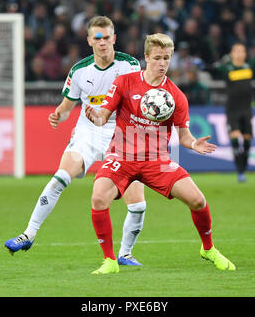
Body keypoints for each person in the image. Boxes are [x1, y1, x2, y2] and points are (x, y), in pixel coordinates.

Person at [85, 33, 236, 274]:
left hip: (157, 161)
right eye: (157, 58)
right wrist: (97, 115)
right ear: (146, 58)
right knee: (98, 198)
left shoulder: (176, 96)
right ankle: (110, 261)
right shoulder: (124, 82)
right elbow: (104, 114)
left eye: (167, 58)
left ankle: (208, 249)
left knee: (198, 200)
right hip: (122, 156)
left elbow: (184, 136)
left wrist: (193, 144)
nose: (162, 63)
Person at [5, 16, 147, 266]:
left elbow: (141, 98)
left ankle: (125, 254)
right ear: (90, 40)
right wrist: (58, 115)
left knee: (137, 204)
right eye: (98, 38)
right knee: (61, 176)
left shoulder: (130, 65)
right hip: (88, 131)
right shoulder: (79, 70)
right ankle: (28, 234)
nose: (103, 42)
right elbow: (67, 105)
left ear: (114, 38)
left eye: (107, 37)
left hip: (121, 132)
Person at [200, 41, 255, 182]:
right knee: (235, 138)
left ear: (245, 54)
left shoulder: (249, 67)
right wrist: (202, 66)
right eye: (237, 51)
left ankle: (243, 169)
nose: (240, 53)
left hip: (247, 110)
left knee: (247, 141)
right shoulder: (227, 68)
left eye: (242, 51)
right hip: (232, 111)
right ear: (232, 54)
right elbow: (212, 69)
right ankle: (240, 171)